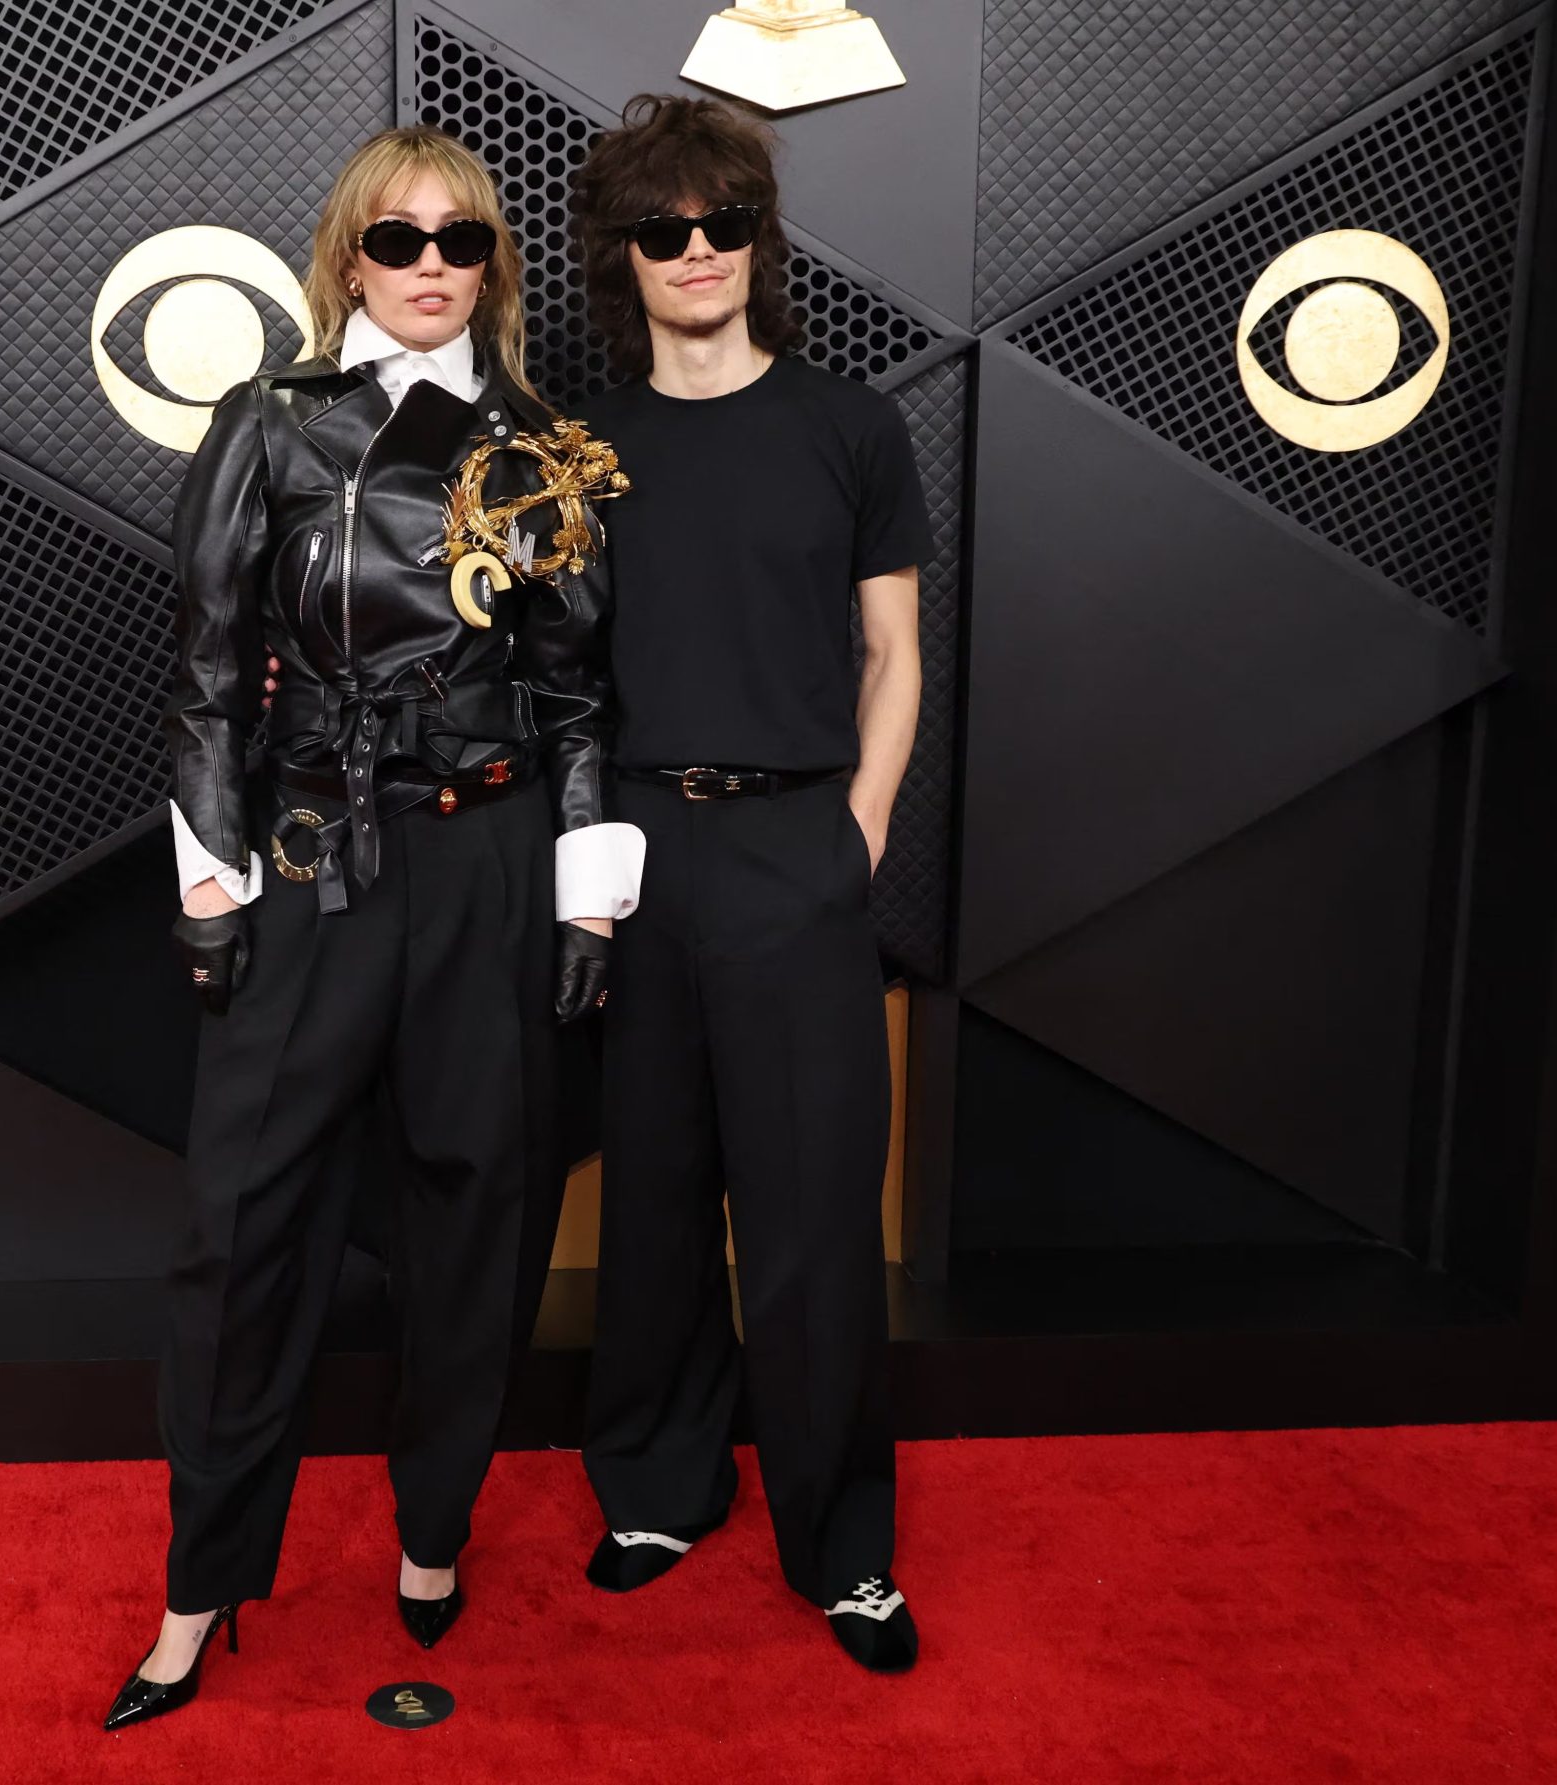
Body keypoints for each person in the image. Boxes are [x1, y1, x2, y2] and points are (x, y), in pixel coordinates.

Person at [104, 126, 644, 1729]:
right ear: (350, 258)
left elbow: (573, 692)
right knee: (240, 1228)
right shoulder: (268, 428)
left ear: (494, 263)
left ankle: (430, 1538)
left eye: (459, 242)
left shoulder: (542, 442)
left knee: (478, 1211)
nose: (428, 268)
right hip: (311, 857)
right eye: (397, 241)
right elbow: (208, 676)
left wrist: (587, 892)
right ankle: (201, 1588)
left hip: (489, 866)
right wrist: (211, 883)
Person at [568, 94, 927, 1673]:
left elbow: (894, 652)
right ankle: (658, 1483)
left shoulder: (854, 426)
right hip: (640, 848)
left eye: (725, 223)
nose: (699, 250)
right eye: (667, 229)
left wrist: (857, 831)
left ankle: (844, 1540)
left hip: (799, 844)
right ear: (626, 256)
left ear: (760, 243)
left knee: (813, 1214)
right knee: (649, 1193)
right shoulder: (582, 449)